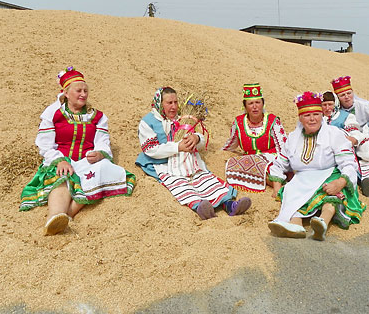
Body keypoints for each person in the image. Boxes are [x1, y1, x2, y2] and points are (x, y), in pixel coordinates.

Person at [19, 67, 134, 235]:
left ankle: (66, 216)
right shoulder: (54, 114)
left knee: (99, 170)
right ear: (66, 93)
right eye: (78, 90)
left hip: (87, 161)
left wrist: (100, 153)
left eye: (85, 91)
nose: (83, 94)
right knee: (63, 176)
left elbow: (102, 142)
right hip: (62, 159)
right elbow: (45, 144)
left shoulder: (97, 117)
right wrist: (60, 160)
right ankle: (55, 215)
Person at [136, 86, 250, 218]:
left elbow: (200, 141)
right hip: (164, 164)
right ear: (159, 104)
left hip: (187, 161)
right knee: (181, 185)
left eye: (176, 102)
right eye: (169, 103)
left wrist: (196, 138)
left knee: (206, 179)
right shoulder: (147, 122)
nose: (173, 106)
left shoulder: (183, 118)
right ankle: (201, 207)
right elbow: (151, 149)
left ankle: (230, 205)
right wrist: (178, 147)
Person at [269, 90, 364, 239]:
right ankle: (296, 225)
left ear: (322, 115)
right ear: (300, 118)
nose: (312, 119)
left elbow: (348, 163)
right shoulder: (293, 138)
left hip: (330, 175)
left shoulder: (334, 134)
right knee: (292, 194)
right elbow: (279, 163)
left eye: (316, 114)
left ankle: (322, 223)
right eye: (307, 115)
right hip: (302, 180)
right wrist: (276, 187)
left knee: (331, 197)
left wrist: (340, 182)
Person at [223, 82, 287, 194]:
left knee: (272, 168)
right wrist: (220, 155)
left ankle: (279, 185)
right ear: (245, 106)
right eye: (250, 103)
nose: (255, 106)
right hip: (251, 161)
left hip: (272, 159)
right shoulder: (238, 122)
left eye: (258, 102)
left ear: (263, 104)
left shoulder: (273, 121)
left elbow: (283, 147)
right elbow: (231, 144)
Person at [330, 75, 369, 142]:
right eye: (342, 95)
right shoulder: (335, 111)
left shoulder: (366, 106)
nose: (347, 97)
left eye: (349, 93)